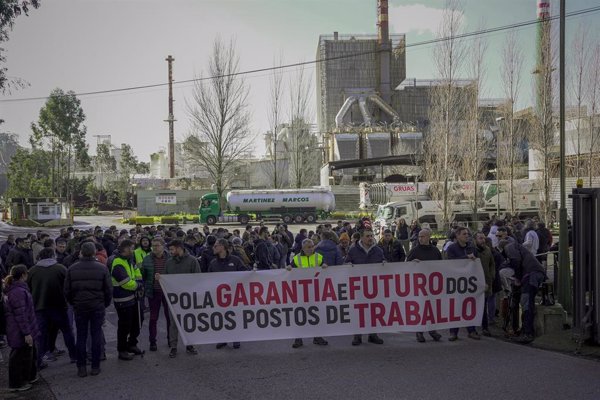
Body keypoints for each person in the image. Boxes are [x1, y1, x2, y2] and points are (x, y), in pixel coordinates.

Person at [64, 242, 112, 377]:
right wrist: (104, 304)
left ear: (81, 253)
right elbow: (108, 290)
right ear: (94, 252)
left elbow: (67, 291)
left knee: (81, 336)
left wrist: (74, 303)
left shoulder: (72, 269)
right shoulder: (102, 268)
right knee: (96, 335)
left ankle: (81, 367)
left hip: (80, 307)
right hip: (97, 306)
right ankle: (95, 366)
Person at [27, 248, 76, 369]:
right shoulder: (60, 268)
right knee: (67, 331)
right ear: (53, 256)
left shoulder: (32, 271)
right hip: (59, 306)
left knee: (41, 335)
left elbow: (28, 289)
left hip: (39, 308)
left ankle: (38, 361)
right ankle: (74, 356)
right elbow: (68, 287)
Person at [499, 239, 546, 343]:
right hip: (534, 273)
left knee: (527, 304)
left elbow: (516, 261)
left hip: (531, 275)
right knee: (527, 303)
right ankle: (525, 331)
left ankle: (528, 334)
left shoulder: (509, 247)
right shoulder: (517, 246)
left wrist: (518, 278)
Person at [344, 229, 385, 346]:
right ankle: (357, 335)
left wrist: (385, 264)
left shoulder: (378, 250)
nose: (370, 238)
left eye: (371, 236)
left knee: (373, 311)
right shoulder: (353, 250)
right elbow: (346, 263)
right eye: (367, 236)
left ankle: (373, 334)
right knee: (359, 311)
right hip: (358, 287)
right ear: (361, 238)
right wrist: (348, 265)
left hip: (373, 287)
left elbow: (383, 262)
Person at [161, 239, 201, 358]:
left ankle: (190, 344)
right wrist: (160, 278)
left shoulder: (192, 261)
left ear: (179, 248)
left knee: (189, 323)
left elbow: (198, 278)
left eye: (172, 249)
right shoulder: (169, 263)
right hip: (174, 299)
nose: (171, 252)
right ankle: (173, 346)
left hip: (189, 299)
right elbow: (165, 277)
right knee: (173, 323)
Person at [4, 264, 39, 392]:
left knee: (27, 354)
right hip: (19, 330)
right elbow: (21, 315)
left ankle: (28, 377)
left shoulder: (16, 289)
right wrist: (27, 333)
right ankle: (17, 383)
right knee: (19, 357)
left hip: (19, 328)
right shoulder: (18, 292)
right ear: (23, 275)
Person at [289, 239, 329, 348]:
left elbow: (325, 265)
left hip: (316, 291)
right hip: (301, 292)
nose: (311, 249)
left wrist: (325, 265)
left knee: (316, 316)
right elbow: (290, 269)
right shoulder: (296, 258)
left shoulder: (318, 256)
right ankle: (298, 339)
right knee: (300, 316)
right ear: (303, 248)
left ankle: (317, 337)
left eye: (312, 246)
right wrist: (288, 268)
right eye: (308, 247)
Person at [405, 228, 443, 343]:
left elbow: (442, 266)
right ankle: (419, 332)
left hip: (432, 285)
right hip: (419, 285)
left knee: (432, 309)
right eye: (419, 237)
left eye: (423, 236)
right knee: (421, 309)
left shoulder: (435, 251)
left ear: (429, 237)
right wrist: (412, 263)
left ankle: (432, 331)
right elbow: (405, 266)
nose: (420, 239)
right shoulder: (414, 251)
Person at [209, 239, 247, 349]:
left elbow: (245, 272)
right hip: (219, 296)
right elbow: (207, 278)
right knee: (221, 318)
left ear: (222, 247)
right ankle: (223, 339)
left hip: (234, 295)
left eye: (216, 246)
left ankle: (236, 339)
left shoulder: (235, 260)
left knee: (234, 317)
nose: (214, 248)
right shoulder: (213, 263)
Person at [110, 239, 144, 361]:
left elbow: (137, 273)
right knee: (124, 326)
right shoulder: (117, 263)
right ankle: (122, 350)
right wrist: (138, 285)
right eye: (131, 248)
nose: (133, 250)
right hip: (123, 300)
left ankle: (132, 344)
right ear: (126, 249)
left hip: (133, 298)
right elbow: (124, 282)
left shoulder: (129, 260)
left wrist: (139, 282)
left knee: (137, 322)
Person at [446, 227, 480, 341]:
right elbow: (450, 263)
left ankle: (471, 330)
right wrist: (466, 258)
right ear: (457, 236)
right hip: (455, 282)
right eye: (464, 234)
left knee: (469, 306)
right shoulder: (451, 248)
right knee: (455, 307)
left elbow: (477, 265)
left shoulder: (472, 248)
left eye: (468, 234)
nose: (467, 236)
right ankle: (453, 332)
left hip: (469, 282)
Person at [141, 237, 171, 352]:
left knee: (169, 318)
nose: (154, 248)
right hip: (153, 292)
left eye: (157, 245)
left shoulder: (170, 258)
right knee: (153, 318)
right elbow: (143, 276)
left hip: (168, 292)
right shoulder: (147, 259)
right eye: (153, 246)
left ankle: (170, 339)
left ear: (163, 246)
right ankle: (152, 341)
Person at [474, 232, 496, 337]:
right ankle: (472, 328)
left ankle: (485, 327)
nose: (482, 240)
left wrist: (492, 276)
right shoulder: (472, 250)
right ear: (475, 239)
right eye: (480, 238)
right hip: (474, 283)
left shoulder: (487, 250)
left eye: (483, 238)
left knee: (484, 305)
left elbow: (492, 264)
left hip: (486, 282)